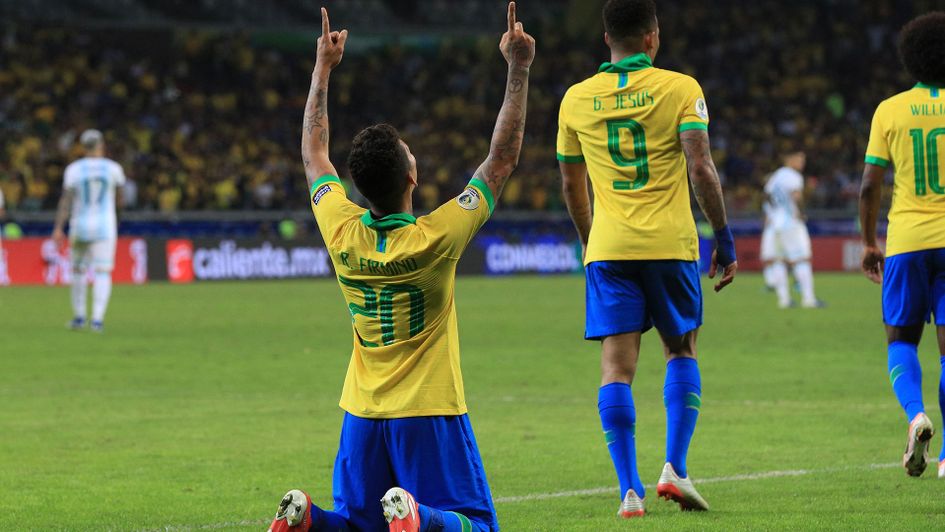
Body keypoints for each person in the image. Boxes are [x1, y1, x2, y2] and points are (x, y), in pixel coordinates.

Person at [268, 4, 534, 532]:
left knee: (358, 523)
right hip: (429, 410)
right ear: (411, 176)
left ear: (360, 185)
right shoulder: (437, 237)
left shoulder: (340, 227)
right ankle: (421, 518)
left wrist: (322, 69)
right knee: (476, 525)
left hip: (362, 412)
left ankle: (306, 520)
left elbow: (313, 154)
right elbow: (500, 160)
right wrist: (519, 69)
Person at [557, 0, 737, 517]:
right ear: (653, 37)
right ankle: (675, 470)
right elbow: (700, 167)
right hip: (670, 246)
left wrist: (593, 239)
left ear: (605, 38)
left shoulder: (576, 99)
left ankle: (629, 492)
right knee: (681, 351)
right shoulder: (681, 88)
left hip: (610, 249)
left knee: (616, 368)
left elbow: (572, 184)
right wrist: (723, 236)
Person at [860, 11, 945, 479]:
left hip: (908, 240)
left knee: (901, 339)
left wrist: (871, 242)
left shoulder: (889, 110)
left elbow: (870, 185)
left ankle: (915, 415)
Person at [52, 129, 126, 332]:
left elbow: (65, 201)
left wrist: (59, 227)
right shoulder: (113, 169)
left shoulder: (74, 170)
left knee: (77, 269)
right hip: (105, 226)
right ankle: (97, 320)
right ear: (101, 145)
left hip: (80, 225)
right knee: (103, 272)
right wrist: (117, 222)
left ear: (83, 147)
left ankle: (79, 316)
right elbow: (120, 200)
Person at [760, 149, 823, 308]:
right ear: (790, 159)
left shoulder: (776, 176)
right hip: (791, 222)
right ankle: (809, 300)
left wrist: (775, 211)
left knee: (779, 261)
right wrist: (800, 213)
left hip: (775, 224)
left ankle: (784, 300)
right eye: (800, 159)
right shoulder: (793, 176)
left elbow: (766, 195)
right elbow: (796, 196)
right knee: (801, 259)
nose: (802, 163)